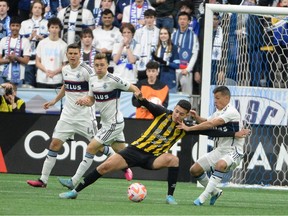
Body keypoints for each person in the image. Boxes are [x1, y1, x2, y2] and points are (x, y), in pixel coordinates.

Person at [58, 91, 250, 204]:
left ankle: (169, 196)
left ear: (185, 116)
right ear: (173, 109)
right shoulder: (162, 113)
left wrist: (233, 134)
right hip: (134, 151)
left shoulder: (184, 128)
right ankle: (75, 191)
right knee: (104, 167)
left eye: (181, 114)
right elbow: (147, 104)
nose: (177, 116)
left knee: (173, 159)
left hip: (152, 159)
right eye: (176, 112)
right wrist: (139, 97)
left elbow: (211, 132)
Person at [57, 53, 141, 189]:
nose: (99, 68)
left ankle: (73, 181)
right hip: (107, 122)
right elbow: (91, 100)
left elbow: (134, 89)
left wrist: (140, 98)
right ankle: (129, 167)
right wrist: (85, 101)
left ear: (107, 65)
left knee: (91, 147)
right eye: (96, 65)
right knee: (124, 154)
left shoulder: (114, 80)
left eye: (102, 65)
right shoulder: (92, 80)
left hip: (114, 123)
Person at [27, 43, 97, 188]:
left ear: (80, 54)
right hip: (67, 115)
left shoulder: (86, 70)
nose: (72, 56)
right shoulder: (65, 69)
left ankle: (123, 165)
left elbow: (96, 87)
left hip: (85, 115)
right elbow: (66, 86)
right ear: (66, 55)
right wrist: (54, 101)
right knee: (54, 144)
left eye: (75, 53)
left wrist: (89, 100)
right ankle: (43, 180)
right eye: (70, 53)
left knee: (99, 146)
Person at [177, 86, 247, 206]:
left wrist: (189, 128)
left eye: (217, 98)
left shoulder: (231, 112)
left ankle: (202, 197)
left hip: (234, 151)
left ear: (226, 98)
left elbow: (211, 124)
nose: (215, 101)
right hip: (220, 150)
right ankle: (215, 192)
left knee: (221, 164)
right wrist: (197, 117)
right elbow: (207, 121)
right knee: (194, 170)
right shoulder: (219, 112)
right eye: (214, 98)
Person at [20, 0, 49, 87]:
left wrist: (42, 38)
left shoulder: (47, 23)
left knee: (41, 85)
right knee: (29, 86)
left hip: (42, 61)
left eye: (40, 8)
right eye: (35, 7)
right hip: (29, 60)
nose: (37, 10)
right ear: (31, 9)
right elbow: (20, 43)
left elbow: (51, 42)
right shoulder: (24, 23)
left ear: (42, 10)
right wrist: (30, 38)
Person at [35, 17, 67, 88]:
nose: (54, 30)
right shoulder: (42, 43)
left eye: (56, 27)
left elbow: (64, 64)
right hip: (42, 79)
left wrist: (54, 72)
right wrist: (46, 71)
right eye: (52, 27)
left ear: (59, 29)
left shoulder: (64, 45)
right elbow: (37, 62)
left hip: (57, 80)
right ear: (49, 28)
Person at [172, 11, 199, 95]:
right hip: (173, 70)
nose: (182, 21)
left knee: (187, 95)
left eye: (184, 19)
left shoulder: (193, 36)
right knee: (172, 94)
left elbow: (195, 54)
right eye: (180, 19)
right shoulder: (173, 35)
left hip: (186, 69)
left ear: (189, 21)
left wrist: (188, 69)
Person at [0, 16, 31, 85]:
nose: (15, 28)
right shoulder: (3, 40)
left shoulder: (25, 41)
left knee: (16, 96)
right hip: (3, 75)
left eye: (17, 26)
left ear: (20, 27)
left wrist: (16, 57)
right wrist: (9, 60)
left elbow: (26, 61)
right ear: (10, 27)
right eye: (13, 25)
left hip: (19, 76)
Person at [92, 9, 121, 73]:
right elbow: (91, 47)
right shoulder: (95, 31)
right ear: (101, 19)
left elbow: (120, 48)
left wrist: (108, 51)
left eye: (109, 18)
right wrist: (100, 50)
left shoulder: (118, 32)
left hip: (112, 62)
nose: (107, 19)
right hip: (98, 61)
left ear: (113, 19)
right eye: (105, 17)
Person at [133, 9, 159, 80]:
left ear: (155, 18)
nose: (149, 20)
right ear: (144, 19)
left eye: (151, 17)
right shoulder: (138, 32)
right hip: (141, 63)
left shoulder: (159, 32)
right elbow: (135, 48)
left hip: (154, 64)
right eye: (147, 18)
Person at [152, 27, 179, 93]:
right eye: (161, 34)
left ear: (169, 35)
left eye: (165, 33)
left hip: (169, 80)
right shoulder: (156, 48)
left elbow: (177, 65)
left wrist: (166, 63)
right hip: (157, 79)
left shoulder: (173, 47)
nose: (163, 35)